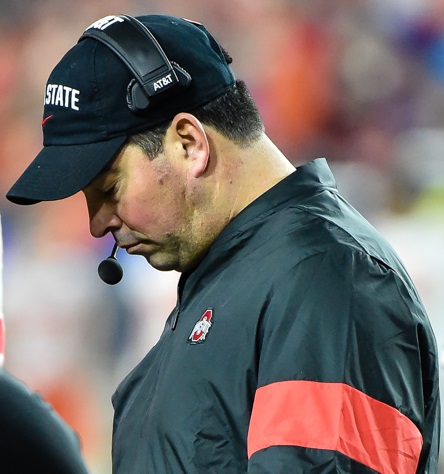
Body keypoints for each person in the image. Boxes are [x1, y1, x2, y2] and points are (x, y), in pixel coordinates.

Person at [6, 14, 440, 473]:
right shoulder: (240, 279)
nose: (97, 225)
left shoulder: (324, 278)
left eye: (110, 188)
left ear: (190, 143)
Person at [0, 216, 90, 473]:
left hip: (64, 375)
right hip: (28, 372)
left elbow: (87, 331)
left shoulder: (73, 275)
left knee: (72, 447)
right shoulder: (17, 277)